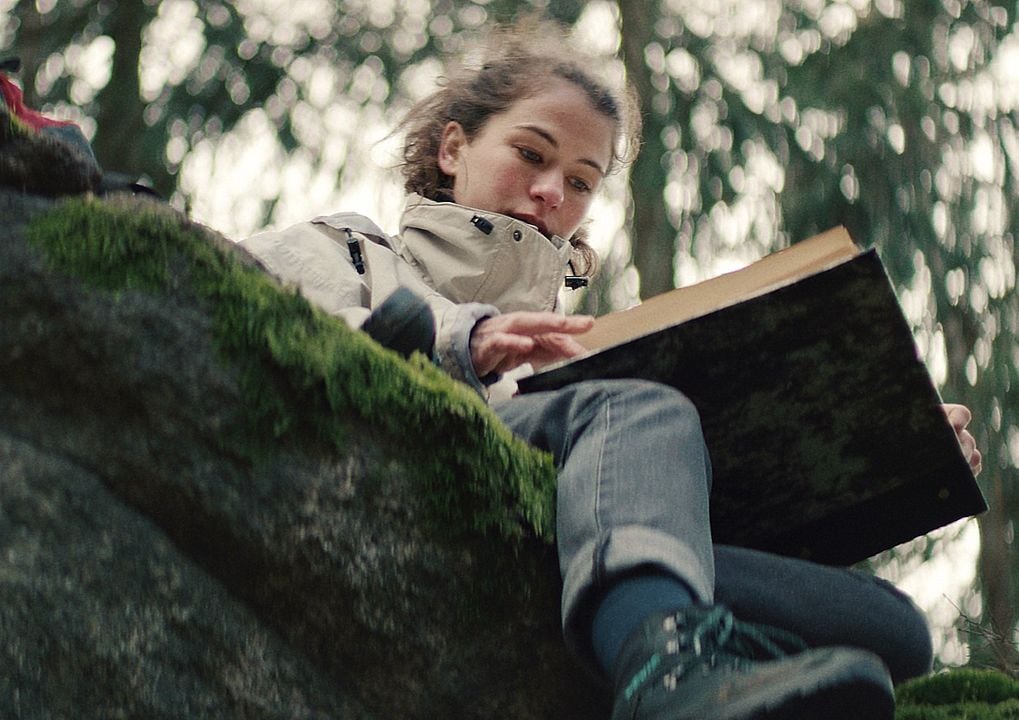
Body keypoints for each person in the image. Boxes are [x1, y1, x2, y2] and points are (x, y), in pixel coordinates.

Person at [241, 20, 983, 720]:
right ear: (452, 149)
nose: (551, 193)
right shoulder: (346, 248)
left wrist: (891, 445)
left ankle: (666, 633)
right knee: (638, 408)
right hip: (425, 484)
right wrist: (462, 338)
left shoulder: (590, 359)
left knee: (887, 627)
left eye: (581, 181)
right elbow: (239, 324)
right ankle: (664, 677)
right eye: (531, 155)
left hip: (588, 533)